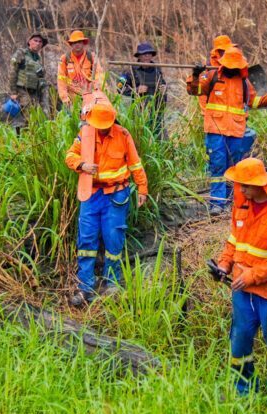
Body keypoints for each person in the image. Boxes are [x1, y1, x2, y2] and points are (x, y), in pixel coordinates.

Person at [213, 157, 267, 402]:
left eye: (245, 186)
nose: (240, 190)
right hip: (243, 291)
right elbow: (234, 240)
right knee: (239, 342)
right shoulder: (242, 201)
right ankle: (243, 392)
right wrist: (224, 264)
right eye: (238, 185)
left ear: (261, 184)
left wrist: (252, 276)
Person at [64, 93, 148, 306]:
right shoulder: (85, 134)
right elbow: (70, 156)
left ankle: (112, 284)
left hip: (116, 195)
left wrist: (142, 189)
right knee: (87, 240)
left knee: (114, 239)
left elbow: (135, 164)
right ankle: (85, 287)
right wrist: (81, 165)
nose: (101, 129)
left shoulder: (123, 135)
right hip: (91, 194)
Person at [186, 46, 267, 215]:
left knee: (234, 167)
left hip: (236, 132)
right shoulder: (212, 76)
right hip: (216, 131)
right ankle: (218, 203)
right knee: (217, 167)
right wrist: (195, 75)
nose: (232, 69)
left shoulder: (244, 82)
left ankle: (232, 200)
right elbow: (194, 90)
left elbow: (254, 102)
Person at [116, 42, 168, 139]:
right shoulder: (130, 70)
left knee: (159, 137)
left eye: (149, 54)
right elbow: (119, 87)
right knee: (141, 137)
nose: (147, 56)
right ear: (139, 56)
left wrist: (164, 89)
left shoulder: (157, 69)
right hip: (139, 112)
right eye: (144, 54)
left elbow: (163, 84)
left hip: (156, 111)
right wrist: (135, 90)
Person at [8, 33, 50, 128]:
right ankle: (24, 137)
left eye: (40, 42)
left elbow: (40, 78)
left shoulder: (38, 59)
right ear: (29, 42)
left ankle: (28, 137)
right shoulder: (21, 53)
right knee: (29, 116)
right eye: (35, 40)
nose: (38, 43)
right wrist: (13, 92)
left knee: (33, 117)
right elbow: (12, 71)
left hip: (34, 93)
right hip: (22, 91)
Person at [57, 30, 105, 109]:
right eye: (75, 42)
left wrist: (98, 91)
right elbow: (61, 79)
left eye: (79, 42)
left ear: (83, 43)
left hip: (90, 95)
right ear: (71, 44)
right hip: (72, 97)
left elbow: (99, 75)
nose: (77, 44)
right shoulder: (64, 59)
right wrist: (64, 97)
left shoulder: (91, 56)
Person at [198, 35, 235, 113]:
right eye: (224, 50)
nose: (226, 52)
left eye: (228, 49)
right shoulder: (209, 68)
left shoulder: (235, 63)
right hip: (215, 116)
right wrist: (205, 112)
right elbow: (202, 92)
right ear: (217, 51)